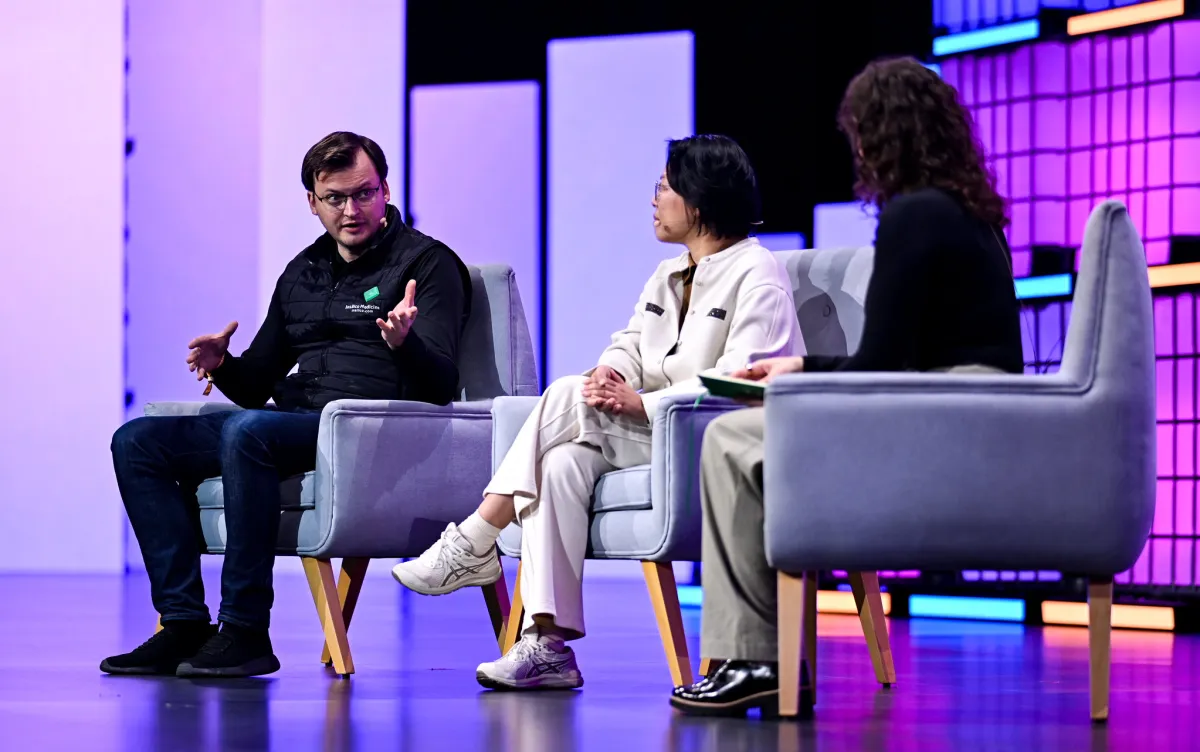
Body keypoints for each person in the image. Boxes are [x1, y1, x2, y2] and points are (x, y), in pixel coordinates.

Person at [669, 57, 1024, 716]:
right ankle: (768, 660)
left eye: (860, 134)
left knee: (729, 439)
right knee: (751, 441)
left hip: (939, 416)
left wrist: (798, 372)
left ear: (882, 136)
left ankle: (755, 659)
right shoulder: (972, 214)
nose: (857, 151)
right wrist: (804, 372)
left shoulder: (913, 215)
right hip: (974, 413)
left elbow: (883, 360)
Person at [391, 134, 804, 690]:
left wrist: (643, 402)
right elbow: (630, 342)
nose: (654, 198)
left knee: (565, 393)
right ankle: (547, 646)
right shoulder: (668, 273)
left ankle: (475, 538)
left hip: (710, 440)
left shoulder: (758, 273)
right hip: (649, 436)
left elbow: (741, 381)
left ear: (700, 201)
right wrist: (611, 372)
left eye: (664, 187)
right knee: (560, 464)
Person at [102, 131, 471, 678]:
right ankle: (183, 624)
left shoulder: (428, 264)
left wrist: (404, 343)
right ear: (312, 203)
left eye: (364, 194)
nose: (351, 210)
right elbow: (257, 386)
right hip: (294, 420)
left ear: (386, 190)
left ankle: (246, 630)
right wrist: (223, 364)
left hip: (366, 427)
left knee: (247, 432)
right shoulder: (303, 272)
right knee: (137, 442)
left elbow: (442, 385)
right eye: (335, 198)